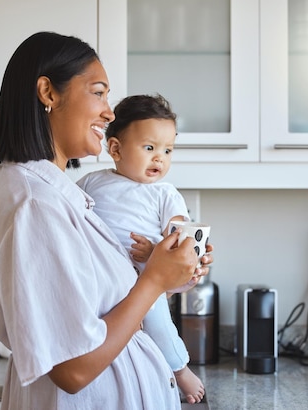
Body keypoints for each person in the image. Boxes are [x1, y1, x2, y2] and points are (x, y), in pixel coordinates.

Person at [0, 32, 212, 410]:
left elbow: (109, 303)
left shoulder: (47, 192)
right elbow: (74, 369)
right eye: (98, 92)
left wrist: (170, 273)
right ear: (48, 93)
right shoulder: (36, 204)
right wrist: (154, 280)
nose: (109, 112)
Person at [76, 94, 205, 404]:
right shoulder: (90, 183)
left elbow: (180, 243)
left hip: (144, 280)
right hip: (101, 282)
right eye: (149, 148)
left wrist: (155, 253)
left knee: (158, 323)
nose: (159, 158)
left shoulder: (165, 194)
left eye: (167, 150)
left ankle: (179, 369)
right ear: (116, 148)